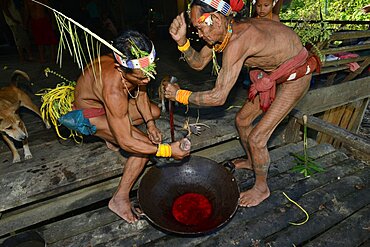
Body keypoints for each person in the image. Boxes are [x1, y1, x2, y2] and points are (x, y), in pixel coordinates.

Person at [165, 0, 320, 207]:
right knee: (242, 120)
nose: (200, 35)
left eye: (200, 28)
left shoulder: (238, 40)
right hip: (271, 75)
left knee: (257, 138)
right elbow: (199, 62)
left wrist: (180, 96)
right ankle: (251, 161)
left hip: (296, 75)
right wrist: (182, 42)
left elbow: (218, 97)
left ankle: (262, 188)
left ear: (217, 19)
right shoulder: (225, 31)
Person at [64, 30, 190, 223]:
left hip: (112, 108)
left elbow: (141, 94)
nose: (147, 80)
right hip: (91, 113)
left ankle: (112, 129)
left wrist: (150, 124)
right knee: (141, 149)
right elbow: (127, 142)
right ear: (121, 68)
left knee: (154, 112)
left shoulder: (137, 65)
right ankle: (119, 199)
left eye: (149, 74)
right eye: (141, 78)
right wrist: (166, 150)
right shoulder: (113, 88)